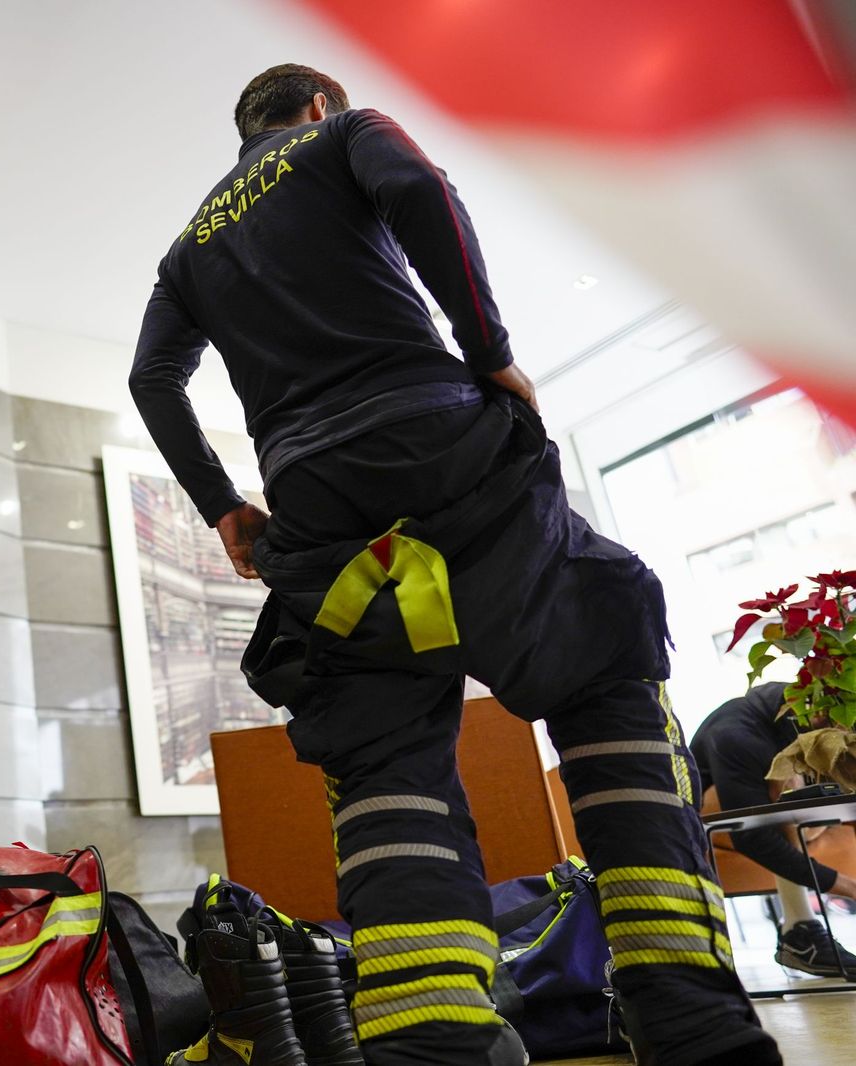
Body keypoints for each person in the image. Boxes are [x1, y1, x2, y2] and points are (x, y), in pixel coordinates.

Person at [129, 64, 780, 1066]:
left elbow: (153, 377)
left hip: (320, 517)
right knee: (606, 656)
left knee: (384, 758)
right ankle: (686, 1017)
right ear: (315, 106)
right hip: (444, 453)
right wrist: (487, 350)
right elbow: (421, 191)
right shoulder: (342, 136)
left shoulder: (186, 249)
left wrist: (223, 506)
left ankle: (433, 1042)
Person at [693, 681, 856, 976]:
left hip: (776, 817)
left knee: (797, 783)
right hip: (710, 825)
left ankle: (799, 926)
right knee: (784, 787)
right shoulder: (738, 736)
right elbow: (752, 837)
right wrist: (847, 886)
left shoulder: (788, 712)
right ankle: (800, 928)